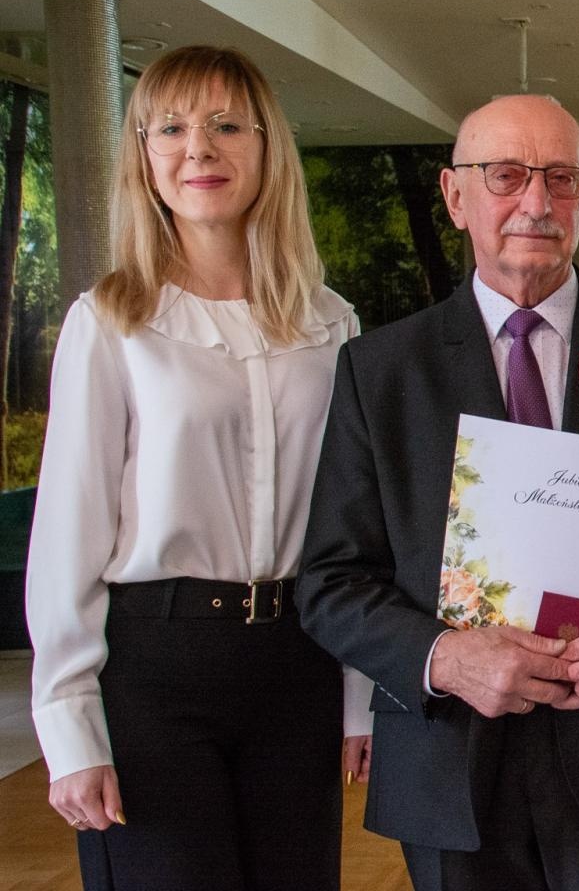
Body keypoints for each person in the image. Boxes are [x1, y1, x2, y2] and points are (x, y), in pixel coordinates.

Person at [295, 93, 579, 891]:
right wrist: (443, 657)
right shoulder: (381, 372)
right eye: (507, 176)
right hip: (449, 768)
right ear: (456, 197)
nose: (536, 202)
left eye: (561, 178)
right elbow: (330, 582)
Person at [25, 44, 371, 890]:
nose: (198, 149)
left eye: (224, 126)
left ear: (265, 147)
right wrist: (68, 725)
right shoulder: (111, 321)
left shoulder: (333, 326)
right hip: (153, 673)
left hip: (299, 664)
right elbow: (68, 530)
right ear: (143, 155)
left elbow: (357, 527)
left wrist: (361, 695)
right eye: (169, 128)